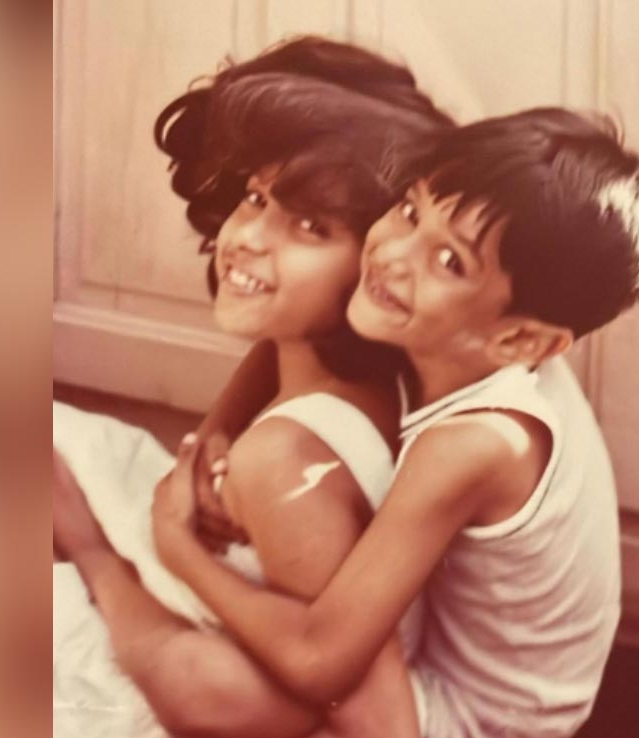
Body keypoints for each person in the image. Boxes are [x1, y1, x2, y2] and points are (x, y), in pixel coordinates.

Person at [147, 108, 639, 737]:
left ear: (521, 340)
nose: (391, 255)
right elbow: (288, 334)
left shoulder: (476, 443)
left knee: (197, 679)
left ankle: (103, 566)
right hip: (452, 652)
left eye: (449, 261)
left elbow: (321, 661)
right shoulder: (462, 332)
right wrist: (216, 431)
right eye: (408, 211)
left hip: (475, 720)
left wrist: (178, 548)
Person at [52, 37, 452, 738]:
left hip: (177, 633)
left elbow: (362, 713)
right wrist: (216, 432)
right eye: (256, 198)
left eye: (310, 226)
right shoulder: (371, 360)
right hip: (202, 567)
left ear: (378, 266)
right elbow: (271, 355)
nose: (246, 237)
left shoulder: (288, 465)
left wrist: (99, 556)